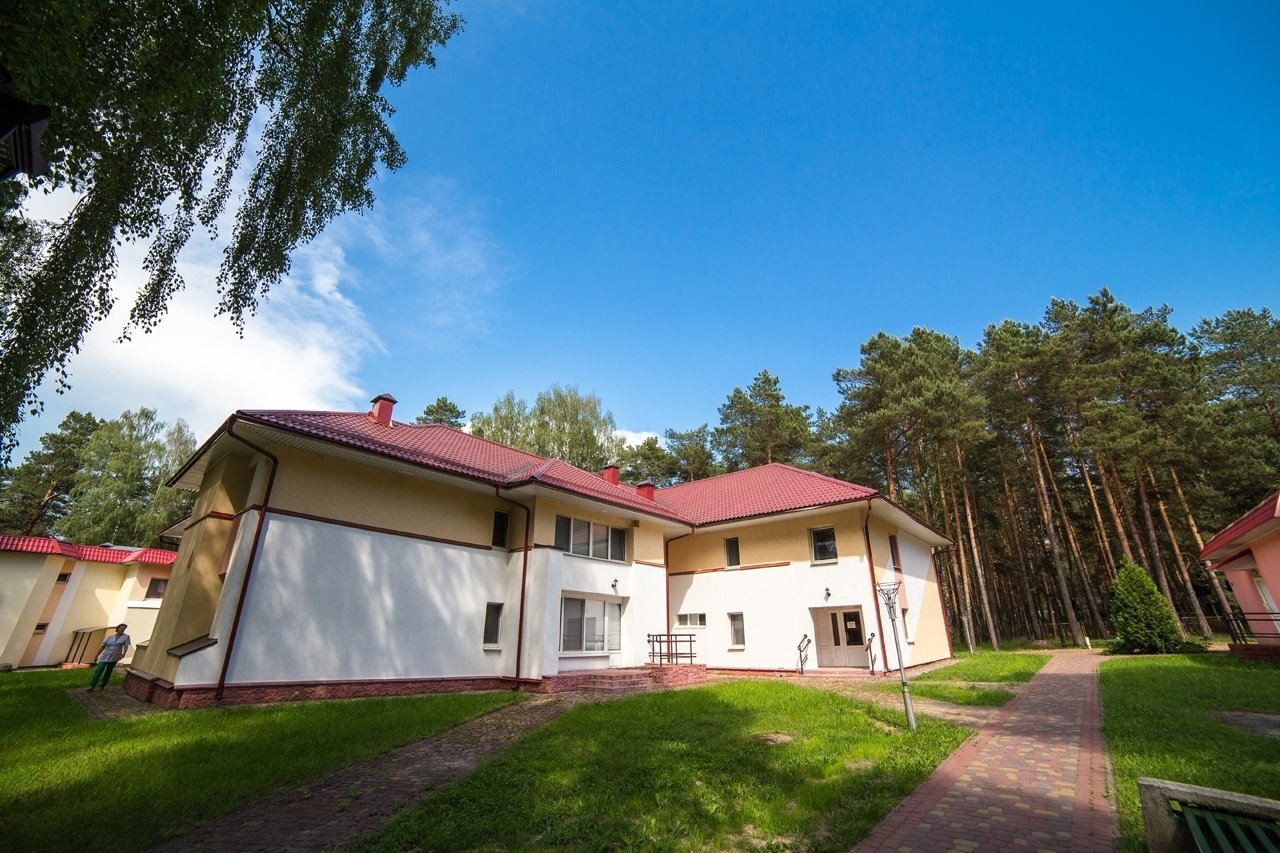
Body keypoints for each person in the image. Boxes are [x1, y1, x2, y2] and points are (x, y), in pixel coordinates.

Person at [87, 624, 131, 691]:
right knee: (99, 670)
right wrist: (96, 656)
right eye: (121, 628)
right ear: (117, 629)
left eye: (124, 628)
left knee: (108, 671)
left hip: (115, 656)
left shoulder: (126, 637)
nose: (122, 629)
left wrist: (124, 654)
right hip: (105, 655)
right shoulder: (110, 637)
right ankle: (91, 686)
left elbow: (126, 646)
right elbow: (103, 647)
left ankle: (102, 685)